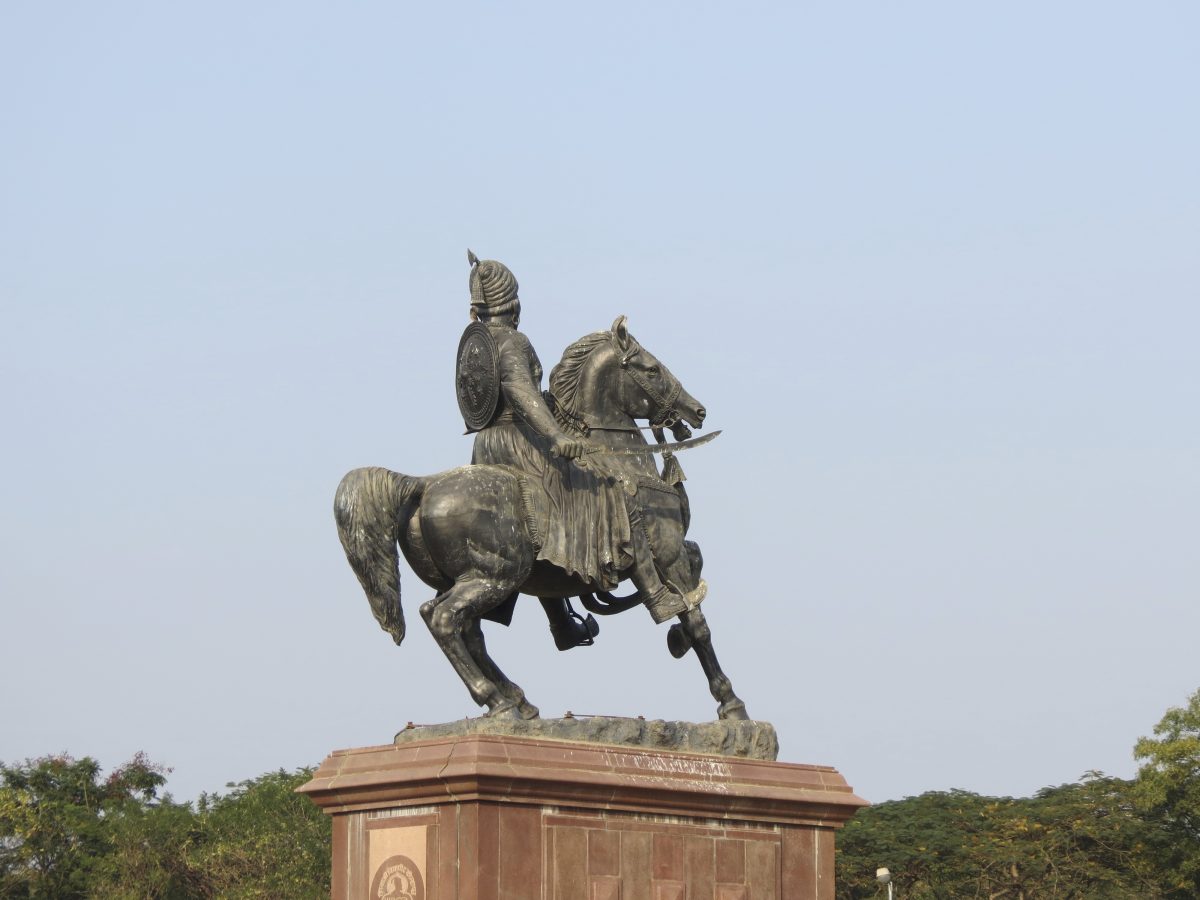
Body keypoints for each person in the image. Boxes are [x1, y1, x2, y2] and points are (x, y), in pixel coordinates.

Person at [461, 251, 690, 648]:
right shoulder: (512, 340)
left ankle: (562, 623)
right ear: (512, 304)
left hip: (487, 446)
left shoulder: (475, 345)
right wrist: (556, 436)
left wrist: (552, 412)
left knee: (543, 519)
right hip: (520, 442)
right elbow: (518, 390)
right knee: (607, 489)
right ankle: (656, 593)